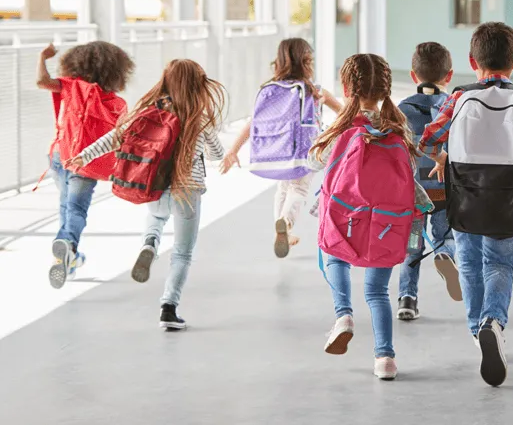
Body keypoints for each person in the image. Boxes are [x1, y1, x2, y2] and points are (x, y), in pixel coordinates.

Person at [420, 22, 513, 387]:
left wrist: (445, 156)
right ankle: (493, 321)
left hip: (465, 196)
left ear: (471, 61)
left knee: (469, 262)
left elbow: (429, 141)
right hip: (509, 199)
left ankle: (479, 330)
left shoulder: (459, 97)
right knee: (499, 264)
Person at [66, 59, 226, 330]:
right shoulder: (200, 117)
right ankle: (168, 308)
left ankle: (149, 245)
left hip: (155, 186)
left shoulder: (150, 111)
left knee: (156, 218)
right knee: (183, 253)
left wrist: (84, 155)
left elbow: (116, 136)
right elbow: (217, 154)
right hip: (188, 190)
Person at [308, 53, 432, 381]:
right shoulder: (397, 127)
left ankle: (344, 315)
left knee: (333, 257)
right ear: (386, 88)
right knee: (377, 292)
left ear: (346, 87)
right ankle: (385, 359)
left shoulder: (341, 129)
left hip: (345, 219)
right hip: (387, 223)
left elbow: (316, 164)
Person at [220, 38, 341, 258]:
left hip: (278, 149)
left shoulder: (271, 89)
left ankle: (282, 231)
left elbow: (252, 122)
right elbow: (344, 114)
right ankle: (285, 222)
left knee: (284, 189)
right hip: (305, 151)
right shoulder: (315, 91)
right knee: (299, 189)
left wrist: (233, 150)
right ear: (306, 62)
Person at [36, 41, 134, 289]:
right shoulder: (116, 103)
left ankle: (69, 256)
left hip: (60, 155)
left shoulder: (70, 87)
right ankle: (68, 245)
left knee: (66, 207)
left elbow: (41, 82)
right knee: (75, 209)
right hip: (87, 164)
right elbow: (119, 138)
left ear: (76, 63)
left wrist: (42, 57)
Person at [396, 42, 461, 320]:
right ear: (450, 75)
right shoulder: (456, 106)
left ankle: (407, 300)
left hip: (414, 195)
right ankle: (444, 253)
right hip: (444, 190)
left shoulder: (402, 110)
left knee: (412, 247)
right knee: (446, 235)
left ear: (413, 76)